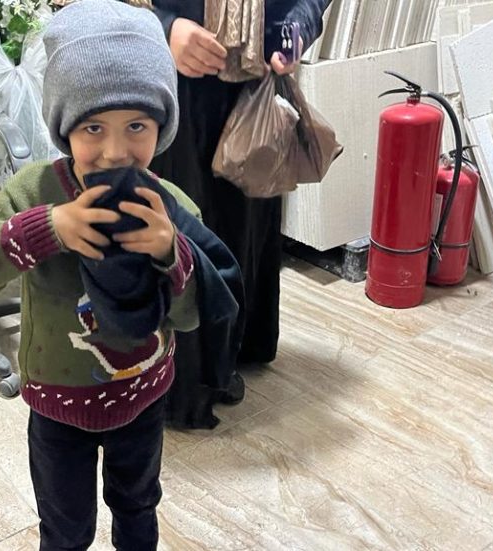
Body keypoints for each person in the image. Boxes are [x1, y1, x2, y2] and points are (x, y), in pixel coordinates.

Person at [0, 1, 240, 548]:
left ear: (162, 125)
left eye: (137, 126)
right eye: (92, 127)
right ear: (65, 127)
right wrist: (49, 228)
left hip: (144, 398)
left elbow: (193, 314)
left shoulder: (170, 207)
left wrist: (169, 252)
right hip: (57, 405)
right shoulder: (33, 191)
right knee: (64, 529)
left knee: (138, 508)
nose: (114, 150)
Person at [143, 0, 332, 428]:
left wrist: (296, 26)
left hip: (256, 81)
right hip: (170, 82)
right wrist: (162, 28)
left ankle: (233, 352)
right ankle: (186, 382)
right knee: (184, 232)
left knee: (246, 226)